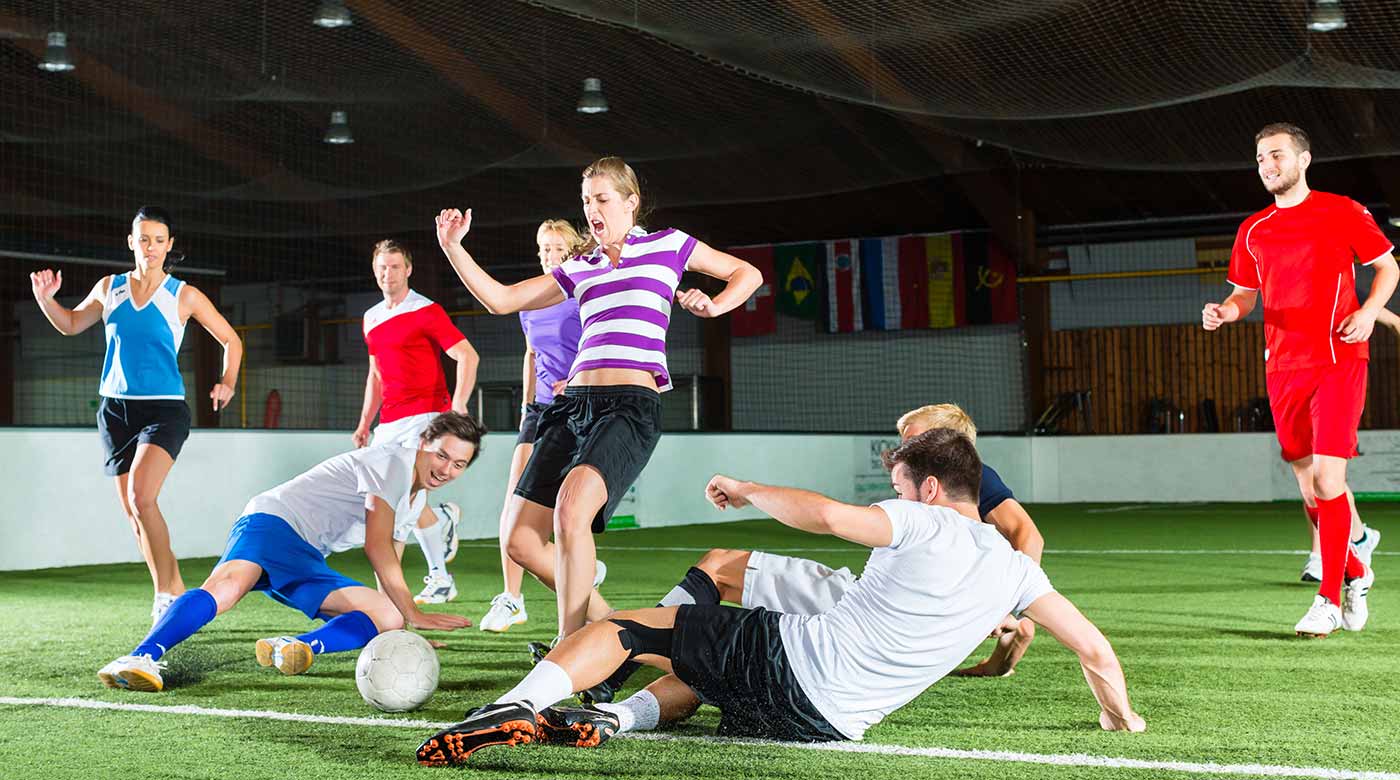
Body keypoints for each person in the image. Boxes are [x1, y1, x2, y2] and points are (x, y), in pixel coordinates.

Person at [415, 429, 1144, 766]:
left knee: (636, 625)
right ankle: (612, 716)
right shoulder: (1019, 571)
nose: (895, 499)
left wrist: (748, 488)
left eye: (898, 487)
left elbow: (829, 516)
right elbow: (1097, 652)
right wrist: (1121, 719)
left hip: (795, 664)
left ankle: (515, 704)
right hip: (826, 725)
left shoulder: (921, 518)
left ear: (927, 489)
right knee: (705, 660)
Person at [434, 157, 763, 644]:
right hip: (571, 406)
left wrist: (714, 305)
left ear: (631, 202)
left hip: (631, 405)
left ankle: (569, 650)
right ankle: (607, 639)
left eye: (602, 198)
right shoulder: (579, 267)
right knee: (520, 539)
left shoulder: (668, 245)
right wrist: (452, 248)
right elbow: (501, 300)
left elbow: (746, 274)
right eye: (586, 200)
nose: (592, 209)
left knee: (571, 510)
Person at [586, 402, 1044, 704]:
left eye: (914, 440)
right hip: (862, 598)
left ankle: (621, 661)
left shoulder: (973, 482)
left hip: (870, 627)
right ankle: (619, 663)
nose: (903, 449)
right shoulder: (919, 492)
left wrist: (998, 606)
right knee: (719, 563)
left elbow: (1028, 536)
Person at [95, 412, 483, 692]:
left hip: (306, 552)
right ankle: (140, 656)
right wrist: (414, 613)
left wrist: (400, 627)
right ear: (422, 444)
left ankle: (295, 647)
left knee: (384, 616)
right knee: (226, 590)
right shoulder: (393, 463)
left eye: (459, 464)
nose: (446, 469)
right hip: (275, 522)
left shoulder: (416, 499)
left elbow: (389, 561)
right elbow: (377, 546)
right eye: (441, 455)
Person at [1202, 122, 1397, 636]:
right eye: (1261, 157)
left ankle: (1328, 599)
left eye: (1277, 155)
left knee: (1331, 481)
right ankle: (1356, 572)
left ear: (1304, 159)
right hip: (1282, 367)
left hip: (1339, 358)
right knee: (1312, 493)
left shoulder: (1342, 210)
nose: (1268, 164)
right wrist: (1226, 310)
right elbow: (1245, 294)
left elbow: (1388, 268)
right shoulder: (1254, 229)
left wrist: (1372, 310)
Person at [29, 206, 242, 625]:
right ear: (131, 242)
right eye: (143, 239)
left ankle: (168, 594)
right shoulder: (110, 288)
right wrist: (45, 300)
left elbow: (230, 340)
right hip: (114, 411)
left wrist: (228, 381)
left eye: (159, 240)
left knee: (142, 498)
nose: (151, 247)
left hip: (164, 410)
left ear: (169, 245)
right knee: (133, 512)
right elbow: (71, 324)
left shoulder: (184, 295)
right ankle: (172, 587)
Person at [352, 239, 480, 605]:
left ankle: (389, 610)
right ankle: (440, 547)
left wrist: (457, 407)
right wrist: (365, 423)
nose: (387, 274)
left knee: (394, 512)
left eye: (394, 267)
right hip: (388, 425)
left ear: (408, 270)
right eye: (381, 268)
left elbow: (467, 356)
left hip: (426, 418)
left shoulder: (427, 311)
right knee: (385, 504)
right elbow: (375, 375)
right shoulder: (371, 317)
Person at [480, 220, 587, 633]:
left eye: (557, 248)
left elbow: (597, 343)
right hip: (539, 409)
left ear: (572, 251)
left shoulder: (582, 291)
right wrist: (528, 405)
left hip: (578, 405)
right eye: (544, 248)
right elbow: (530, 354)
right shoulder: (529, 299)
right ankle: (512, 599)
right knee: (514, 498)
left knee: (566, 507)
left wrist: (577, 380)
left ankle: (579, 574)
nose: (549, 255)